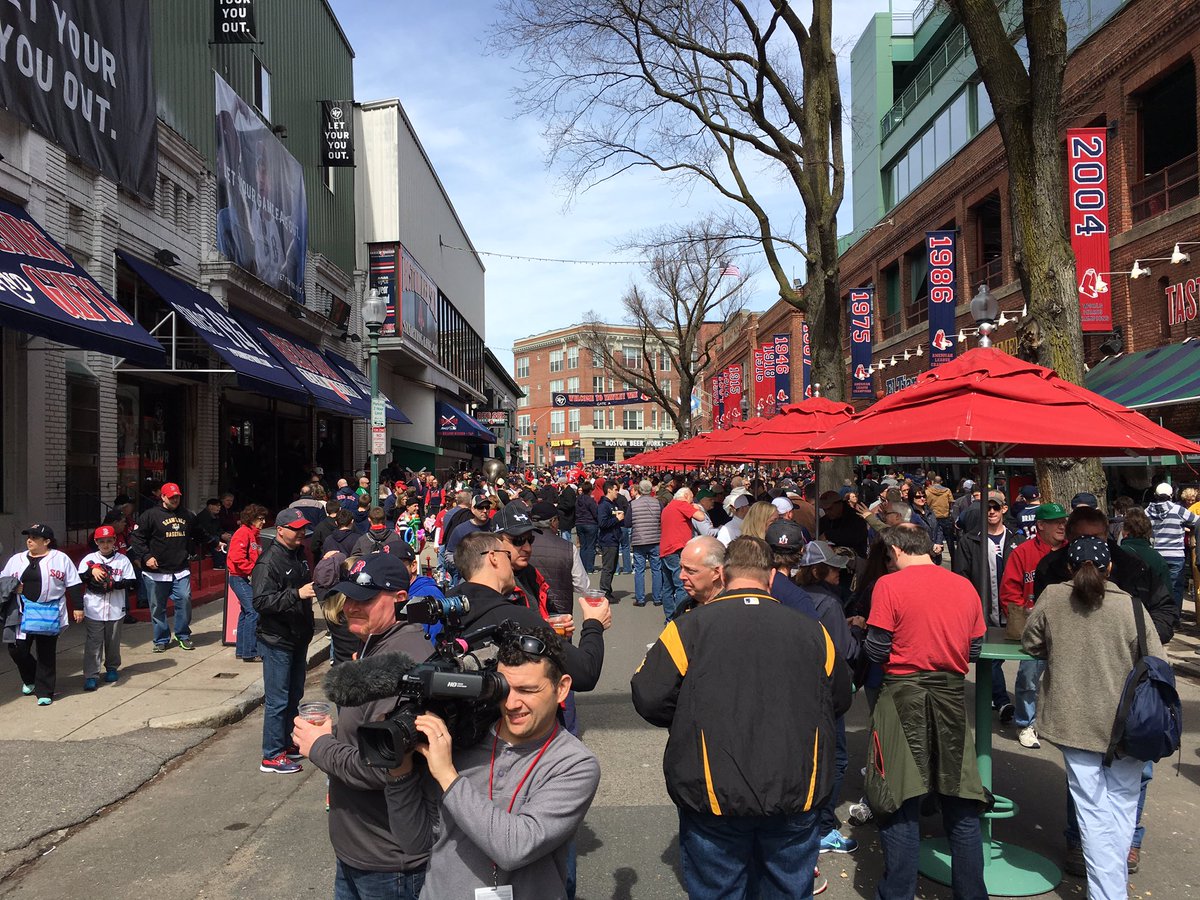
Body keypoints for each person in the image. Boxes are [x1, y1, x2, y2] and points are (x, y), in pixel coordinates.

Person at [632, 536, 851, 899]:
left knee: (719, 890)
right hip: (794, 787)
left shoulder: (689, 627)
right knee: (786, 889)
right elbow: (840, 698)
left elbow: (649, 696)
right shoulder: (813, 631)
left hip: (714, 792)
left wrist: (689, 714)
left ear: (725, 575)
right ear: (771, 578)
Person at [383, 623, 600, 899]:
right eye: (504, 688)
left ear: (562, 689)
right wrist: (400, 772)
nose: (511, 704)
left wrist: (449, 776)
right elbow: (416, 841)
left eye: (528, 691)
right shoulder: (463, 739)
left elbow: (516, 847)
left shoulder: (574, 763)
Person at [1031, 504, 1175, 876]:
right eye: (1083, 538)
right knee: (1089, 788)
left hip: (1130, 694)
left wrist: (1133, 639)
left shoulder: (1135, 572)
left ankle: (1126, 845)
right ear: (1069, 537)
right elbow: (1041, 632)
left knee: (1126, 781)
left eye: (1098, 538)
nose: (1090, 546)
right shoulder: (1052, 575)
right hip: (1082, 694)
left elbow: (1163, 615)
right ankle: (1083, 847)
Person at [293, 553, 434, 900]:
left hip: (389, 862)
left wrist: (320, 745)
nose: (352, 606)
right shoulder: (376, 644)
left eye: (366, 599)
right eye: (349, 596)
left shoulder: (405, 661)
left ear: (400, 599)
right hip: (360, 851)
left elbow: (384, 769)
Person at [864, 524, 988, 900]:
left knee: (900, 801)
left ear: (896, 550)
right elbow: (975, 647)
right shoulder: (963, 585)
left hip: (903, 694)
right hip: (950, 695)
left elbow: (876, 648)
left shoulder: (889, 585)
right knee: (961, 802)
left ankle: (898, 894)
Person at [446, 530, 610, 691]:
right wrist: (594, 624)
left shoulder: (446, 610)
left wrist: (544, 629)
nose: (510, 564)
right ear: (493, 558)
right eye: (507, 556)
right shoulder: (515, 617)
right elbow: (585, 673)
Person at [791, 537, 860, 855]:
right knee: (837, 758)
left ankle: (808, 821)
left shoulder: (792, 595)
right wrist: (857, 632)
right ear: (819, 571)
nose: (839, 574)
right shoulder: (829, 603)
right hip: (826, 689)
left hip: (796, 685)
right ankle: (822, 827)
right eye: (833, 569)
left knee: (806, 756)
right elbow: (844, 649)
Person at [999, 501, 1068, 749]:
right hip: (1036, 629)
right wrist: (1022, 615)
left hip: (1068, 627)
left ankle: (1061, 723)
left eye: (1063, 521)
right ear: (1041, 526)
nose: (1062, 526)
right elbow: (1009, 590)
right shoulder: (1023, 553)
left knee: (1067, 679)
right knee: (1028, 677)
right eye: (1056, 522)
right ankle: (1025, 723)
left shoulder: (1073, 550)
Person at [253, 509, 317, 774]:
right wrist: (297, 594)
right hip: (276, 638)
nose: (301, 532)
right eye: (295, 528)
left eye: (303, 528)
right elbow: (260, 601)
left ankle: (286, 743)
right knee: (277, 700)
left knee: (295, 694)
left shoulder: (298, 553)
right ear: (280, 530)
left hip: (298, 635)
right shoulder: (268, 562)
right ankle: (271, 755)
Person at [953, 490, 1022, 721]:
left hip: (1013, 611)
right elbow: (960, 577)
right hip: (983, 610)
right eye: (986, 508)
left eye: (995, 507)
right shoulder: (969, 540)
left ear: (1004, 509)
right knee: (990, 657)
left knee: (1015, 658)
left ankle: (1000, 697)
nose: (990, 511)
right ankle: (1002, 702)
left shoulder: (1017, 540)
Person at [128, 482, 214, 652]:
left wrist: (215, 543)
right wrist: (147, 556)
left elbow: (199, 534)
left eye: (178, 497)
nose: (175, 499)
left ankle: (182, 635)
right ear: (163, 497)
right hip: (156, 573)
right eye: (172, 497)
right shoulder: (149, 515)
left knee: (184, 600)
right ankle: (161, 639)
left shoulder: (187, 515)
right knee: (158, 607)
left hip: (180, 569)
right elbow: (136, 539)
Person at [1, 525, 82, 704]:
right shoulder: (17, 559)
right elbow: (4, 580)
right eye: (28, 536)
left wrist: (78, 607)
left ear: (46, 542)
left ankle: (45, 691)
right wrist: (14, 587)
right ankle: (31, 677)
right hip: (22, 611)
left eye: (35, 538)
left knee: (46, 651)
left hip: (49, 612)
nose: (29, 540)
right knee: (16, 649)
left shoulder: (60, 559)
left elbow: (74, 583)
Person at [77, 525, 137, 691]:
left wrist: (115, 584)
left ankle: (111, 668)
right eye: (102, 541)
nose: (105, 544)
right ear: (96, 542)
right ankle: (91, 675)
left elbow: (131, 581)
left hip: (116, 608)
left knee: (112, 642)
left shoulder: (122, 560)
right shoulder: (89, 559)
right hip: (93, 608)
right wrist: (92, 574)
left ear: (114, 541)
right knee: (93, 643)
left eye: (109, 541)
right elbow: (80, 578)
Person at [1144, 481, 1199, 610]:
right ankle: (1174, 617)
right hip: (1175, 555)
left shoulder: (1146, 512)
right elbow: (1197, 521)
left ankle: (1159, 614)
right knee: (1175, 588)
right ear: (1172, 494)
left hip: (1155, 554)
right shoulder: (1178, 510)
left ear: (1155, 495)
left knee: (1157, 587)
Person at [529, 501, 591, 611]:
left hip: (530, 610)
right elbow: (582, 585)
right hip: (559, 612)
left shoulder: (520, 545)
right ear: (553, 521)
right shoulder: (567, 548)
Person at [658, 487, 708, 621]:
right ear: (686, 496)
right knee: (681, 584)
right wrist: (694, 506)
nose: (692, 500)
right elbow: (701, 517)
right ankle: (679, 618)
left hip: (665, 549)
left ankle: (669, 617)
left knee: (668, 587)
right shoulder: (681, 504)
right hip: (677, 548)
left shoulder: (668, 507)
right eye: (691, 497)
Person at [227, 504, 268, 663]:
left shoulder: (254, 535)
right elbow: (237, 558)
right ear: (251, 519)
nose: (263, 522)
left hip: (244, 577)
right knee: (253, 611)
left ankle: (242, 649)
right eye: (260, 519)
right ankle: (249, 651)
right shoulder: (243, 533)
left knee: (246, 612)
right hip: (239, 577)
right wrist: (253, 570)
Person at [671, 535, 726, 619]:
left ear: (716, 573)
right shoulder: (685, 606)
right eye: (681, 568)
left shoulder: (732, 610)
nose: (681, 576)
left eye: (690, 571)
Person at [629, 478, 663, 607]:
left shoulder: (633, 504)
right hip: (655, 539)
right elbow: (663, 519)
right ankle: (657, 598)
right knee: (656, 569)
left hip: (639, 540)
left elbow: (627, 522)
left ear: (640, 491)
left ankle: (640, 598)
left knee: (639, 570)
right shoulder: (658, 503)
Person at [596, 481, 623, 602]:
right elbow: (602, 523)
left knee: (611, 567)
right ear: (609, 490)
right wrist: (616, 519)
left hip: (614, 538)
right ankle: (604, 592)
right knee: (608, 567)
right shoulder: (603, 505)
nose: (617, 492)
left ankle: (607, 590)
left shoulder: (613, 504)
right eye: (616, 489)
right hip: (608, 540)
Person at [194, 497, 227, 569]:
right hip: (203, 538)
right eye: (217, 506)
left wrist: (224, 534)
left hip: (212, 535)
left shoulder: (216, 516)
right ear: (210, 506)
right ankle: (219, 564)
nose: (219, 508)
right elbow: (207, 531)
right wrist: (221, 535)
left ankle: (227, 561)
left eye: (220, 506)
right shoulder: (203, 516)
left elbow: (219, 528)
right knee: (216, 539)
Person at [575, 480, 599, 573]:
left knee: (583, 546)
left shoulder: (578, 500)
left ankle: (583, 567)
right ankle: (589, 568)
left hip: (579, 523)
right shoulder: (590, 500)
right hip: (590, 523)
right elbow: (595, 512)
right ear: (590, 490)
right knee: (590, 546)